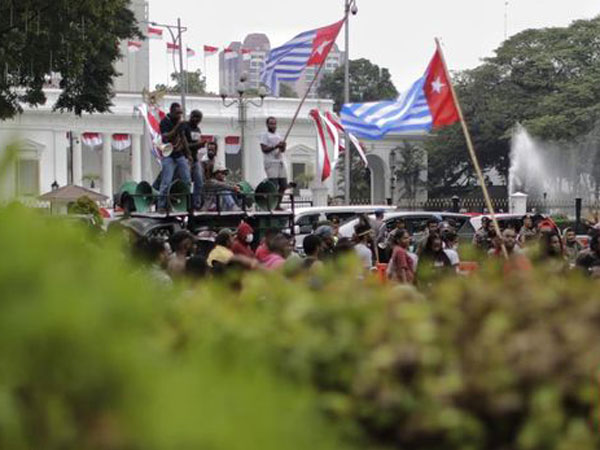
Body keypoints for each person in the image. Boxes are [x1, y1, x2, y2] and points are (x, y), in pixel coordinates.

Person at [158, 102, 192, 212]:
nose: (179, 116)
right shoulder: (164, 122)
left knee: (187, 179)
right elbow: (166, 136)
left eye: (180, 113)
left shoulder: (180, 122)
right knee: (166, 182)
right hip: (168, 155)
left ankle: (187, 204)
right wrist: (177, 126)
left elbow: (183, 138)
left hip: (179, 154)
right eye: (177, 113)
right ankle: (161, 206)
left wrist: (188, 154)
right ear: (171, 111)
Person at [260, 117, 287, 210]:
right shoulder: (265, 135)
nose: (273, 125)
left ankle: (277, 204)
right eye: (271, 124)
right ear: (267, 125)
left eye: (274, 124)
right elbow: (264, 149)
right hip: (270, 163)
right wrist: (276, 146)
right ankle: (272, 204)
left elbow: (282, 150)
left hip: (280, 162)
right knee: (274, 185)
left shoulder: (279, 135)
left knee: (283, 184)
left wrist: (283, 146)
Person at [181, 110, 206, 210]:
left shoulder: (198, 130)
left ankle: (196, 204)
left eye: (198, 118)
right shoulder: (185, 126)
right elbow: (184, 145)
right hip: (185, 158)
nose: (196, 119)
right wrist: (197, 145)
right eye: (194, 117)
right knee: (186, 182)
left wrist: (200, 145)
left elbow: (196, 145)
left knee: (199, 181)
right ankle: (186, 204)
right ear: (190, 116)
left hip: (195, 158)